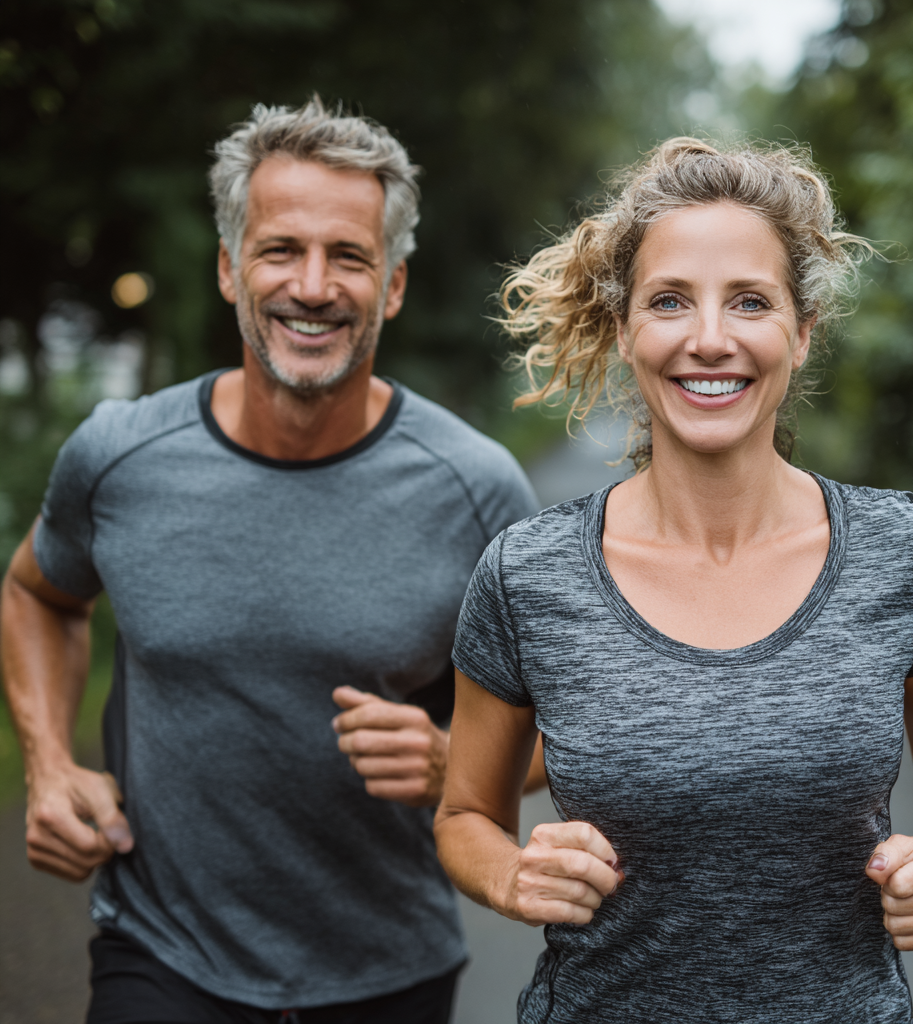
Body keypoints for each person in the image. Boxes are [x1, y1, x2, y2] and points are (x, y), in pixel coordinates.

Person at [434, 138, 913, 1023]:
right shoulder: (527, 574)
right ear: (624, 330)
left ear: (802, 331)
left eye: (749, 301)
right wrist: (511, 874)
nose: (709, 339)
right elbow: (465, 811)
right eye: (669, 301)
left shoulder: (906, 551)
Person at [0, 97, 539, 1024]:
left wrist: (458, 759)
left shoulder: (476, 488)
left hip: (388, 964)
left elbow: (561, 718)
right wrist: (48, 763)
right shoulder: (119, 456)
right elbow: (37, 593)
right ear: (229, 268)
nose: (314, 285)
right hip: (160, 950)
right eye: (281, 249)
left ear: (395, 285)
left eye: (350, 256)